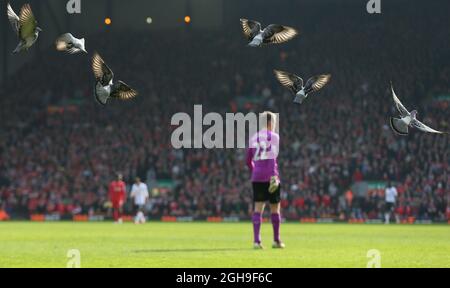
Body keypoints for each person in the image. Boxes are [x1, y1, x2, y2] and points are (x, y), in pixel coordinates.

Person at [246, 111, 284, 249]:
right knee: (275, 209)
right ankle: (276, 240)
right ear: (269, 123)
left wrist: (255, 170)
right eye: (273, 122)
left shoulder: (253, 138)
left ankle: (257, 241)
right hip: (272, 177)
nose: (274, 125)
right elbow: (273, 158)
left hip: (257, 177)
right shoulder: (275, 137)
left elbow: (247, 160)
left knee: (258, 209)